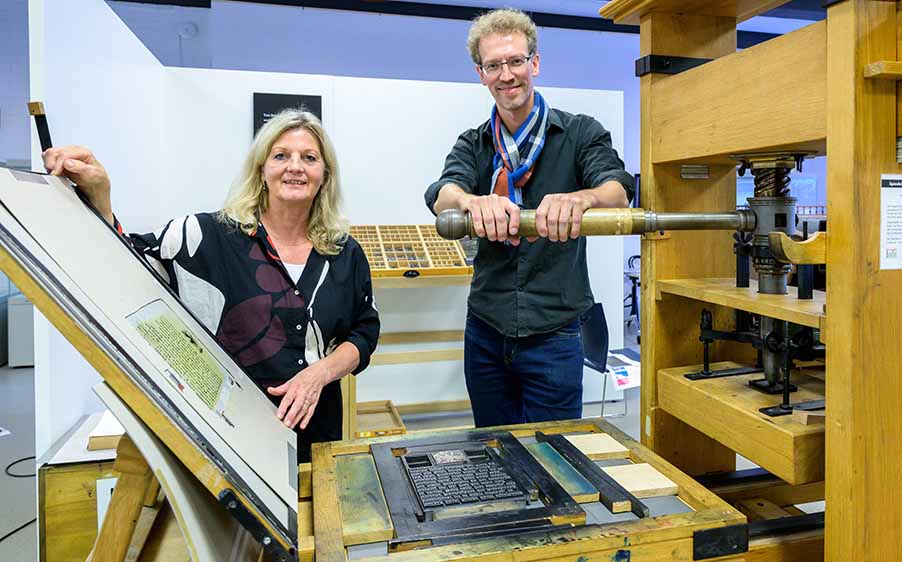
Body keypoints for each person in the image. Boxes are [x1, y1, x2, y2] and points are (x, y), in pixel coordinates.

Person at [43, 110, 379, 462]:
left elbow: (365, 330)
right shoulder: (204, 237)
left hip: (317, 435)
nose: (295, 166)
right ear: (261, 170)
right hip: (231, 442)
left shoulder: (343, 252)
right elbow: (128, 264)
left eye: (309, 158)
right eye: (281, 156)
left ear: (325, 176)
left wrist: (320, 374)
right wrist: (100, 196)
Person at [425, 9, 634, 428]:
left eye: (515, 61)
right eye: (493, 65)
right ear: (481, 74)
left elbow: (618, 190)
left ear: (534, 63)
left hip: (556, 333)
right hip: (485, 332)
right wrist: (471, 202)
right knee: (493, 448)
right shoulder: (474, 143)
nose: (506, 75)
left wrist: (583, 198)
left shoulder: (580, 133)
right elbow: (442, 192)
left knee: (554, 452)